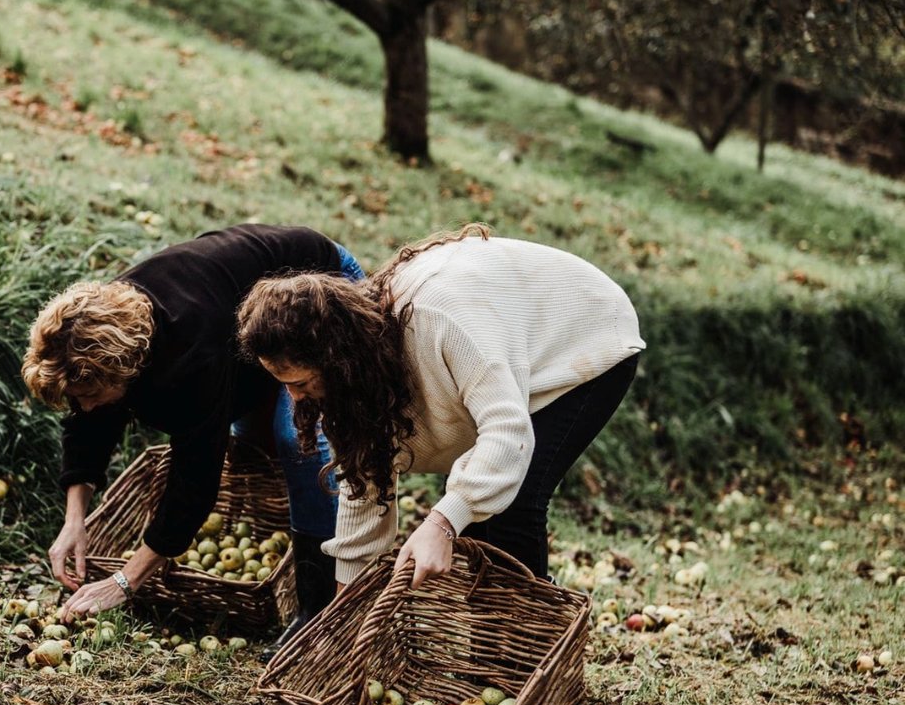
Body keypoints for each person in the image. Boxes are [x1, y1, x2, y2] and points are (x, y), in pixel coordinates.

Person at [236, 223, 645, 589]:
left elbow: (507, 433)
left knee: (513, 504)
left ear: (335, 358)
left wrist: (441, 523)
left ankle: (520, 652)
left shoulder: (441, 324)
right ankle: (492, 646)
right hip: (513, 348)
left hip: (585, 332)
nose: (294, 397)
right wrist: (348, 603)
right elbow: (364, 489)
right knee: (484, 514)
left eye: (301, 382)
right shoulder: (354, 378)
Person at [21, 224, 364, 649]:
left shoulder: (188, 354)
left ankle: (318, 608)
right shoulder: (97, 328)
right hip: (238, 316)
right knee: (253, 441)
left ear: (126, 369)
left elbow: (195, 476)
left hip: (323, 285)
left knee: (295, 438)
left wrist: (125, 582)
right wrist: (75, 519)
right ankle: (295, 562)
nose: (85, 406)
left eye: (90, 394)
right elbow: (88, 420)